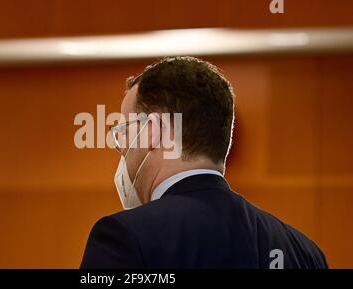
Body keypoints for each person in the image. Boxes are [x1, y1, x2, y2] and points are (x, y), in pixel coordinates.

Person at [80, 56, 328, 269]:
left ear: (153, 131)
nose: (120, 147)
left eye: (125, 131)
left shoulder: (125, 238)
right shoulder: (304, 253)